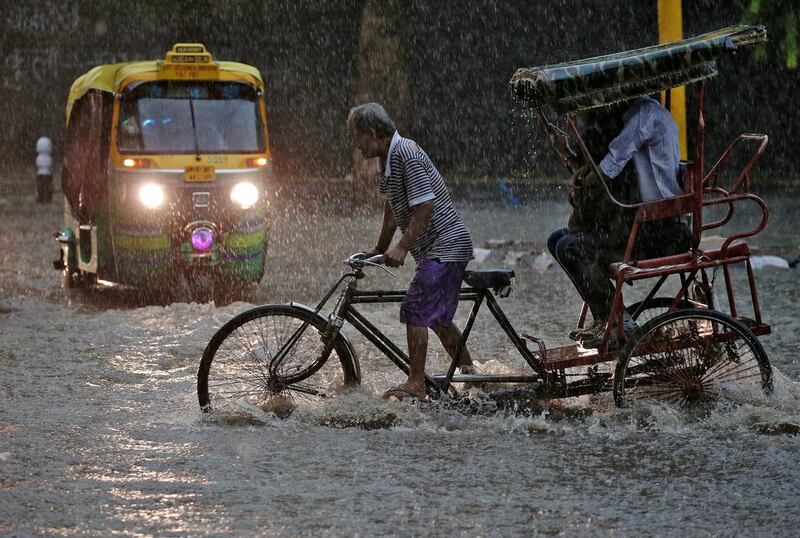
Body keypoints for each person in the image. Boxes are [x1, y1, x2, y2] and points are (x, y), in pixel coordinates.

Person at [347, 102, 475, 400]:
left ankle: (416, 382)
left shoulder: (406, 154)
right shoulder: (387, 159)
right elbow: (392, 207)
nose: (355, 144)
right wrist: (380, 248)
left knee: (415, 308)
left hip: (447, 244)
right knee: (438, 319)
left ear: (373, 132)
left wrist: (402, 248)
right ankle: (472, 375)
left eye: (357, 136)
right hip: (435, 248)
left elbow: (425, 206)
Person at [548, 96, 691, 348]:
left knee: (570, 247)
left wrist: (583, 178)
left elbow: (609, 166)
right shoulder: (630, 117)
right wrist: (572, 161)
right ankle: (605, 316)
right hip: (643, 223)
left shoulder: (644, 115)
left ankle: (617, 321)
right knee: (557, 240)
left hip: (658, 230)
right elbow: (600, 172)